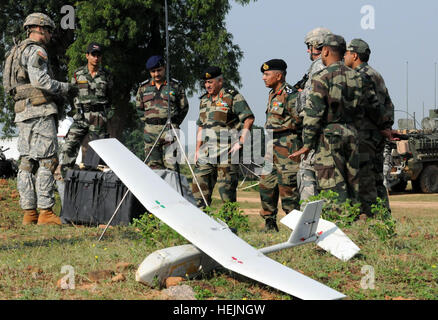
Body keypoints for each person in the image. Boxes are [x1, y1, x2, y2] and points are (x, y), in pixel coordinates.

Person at [3, 13, 77, 225]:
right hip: (40, 110)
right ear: (40, 29)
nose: (50, 35)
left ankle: (29, 213)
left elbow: (10, 86)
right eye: (49, 30)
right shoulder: (36, 50)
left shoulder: (14, 52)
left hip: (22, 111)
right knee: (48, 160)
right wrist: (66, 88)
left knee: (26, 162)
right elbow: (41, 81)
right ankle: (45, 212)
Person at [290, 34, 371, 204]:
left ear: (325, 51)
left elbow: (314, 114)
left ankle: (338, 220)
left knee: (332, 185)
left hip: (329, 137)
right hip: (353, 134)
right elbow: (371, 108)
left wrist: (307, 144)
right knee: (353, 182)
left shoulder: (322, 77)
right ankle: (356, 219)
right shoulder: (358, 77)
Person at [344, 38, 394, 215]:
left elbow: (371, 105)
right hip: (377, 135)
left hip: (365, 134)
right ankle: (384, 215)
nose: (344, 57)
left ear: (354, 55)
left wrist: (380, 125)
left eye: (347, 53)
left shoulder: (359, 75)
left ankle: (372, 217)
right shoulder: (376, 74)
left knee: (365, 179)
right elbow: (388, 104)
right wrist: (386, 126)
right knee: (377, 177)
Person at [192, 66, 254, 209]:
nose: (207, 85)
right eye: (205, 82)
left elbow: (249, 118)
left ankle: (230, 228)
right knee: (198, 188)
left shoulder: (232, 96)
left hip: (227, 152)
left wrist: (241, 141)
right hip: (206, 152)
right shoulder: (204, 100)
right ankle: (201, 224)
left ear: (220, 81)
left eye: (210, 82)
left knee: (226, 194)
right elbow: (201, 126)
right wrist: (197, 150)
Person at [58, 42, 114, 178]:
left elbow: (111, 96)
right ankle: (66, 178)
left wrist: (107, 115)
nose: (96, 58)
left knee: (96, 153)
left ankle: (92, 181)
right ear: (87, 56)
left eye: (98, 55)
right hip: (81, 117)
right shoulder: (77, 74)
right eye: (93, 54)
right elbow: (71, 92)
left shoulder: (107, 75)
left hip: (98, 117)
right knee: (68, 146)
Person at [259, 59, 302, 231]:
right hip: (271, 147)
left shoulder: (291, 94)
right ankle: (269, 223)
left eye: (267, 74)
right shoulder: (272, 93)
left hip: (287, 147)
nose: (263, 78)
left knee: (288, 188)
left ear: (279, 75)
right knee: (266, 185)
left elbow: (300, 120)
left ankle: (295, 228)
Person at [296, 27, 332, 209]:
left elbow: (312, 104)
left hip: (316, 132)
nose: (308, 50)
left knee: (307, 173)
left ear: (318, 45)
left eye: (309, 46)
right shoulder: (338, 66)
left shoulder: (318, 66)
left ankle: (307, 219)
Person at [135, 55, 189, 170]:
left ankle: (172, 188)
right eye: (153, 71)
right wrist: (150, 122)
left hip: (170, 130)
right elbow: (139, 109)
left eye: (159, 70)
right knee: (153, 168)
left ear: (164, 68)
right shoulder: (143, 88)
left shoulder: (175, 86)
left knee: (172, 166)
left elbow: (184, 107)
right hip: (151, 131)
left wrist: (174, 122)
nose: (156, 74)